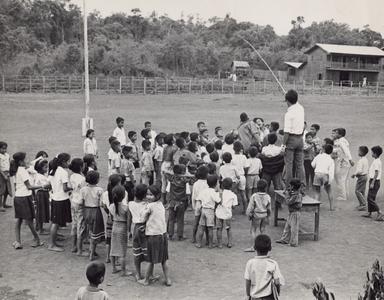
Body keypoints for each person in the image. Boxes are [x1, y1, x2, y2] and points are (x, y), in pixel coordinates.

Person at [11, 152, 46, 249]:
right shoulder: (22, 171)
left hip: (18, 198)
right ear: (21, 161)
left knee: (19, 220)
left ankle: (18, 241)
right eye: (26, 159)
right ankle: (37, 239)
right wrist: (43, 186)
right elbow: (29, 187)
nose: (28, 160)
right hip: (24, 198)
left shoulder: (20, 169)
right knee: (29, 220)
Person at [139, 185, 171, 287]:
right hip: (162, 235)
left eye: (151, 195)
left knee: (150, 260)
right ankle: (168, 279)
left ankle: (146, 280)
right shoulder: (160, 205)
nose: (148, 197)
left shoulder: (149, 206)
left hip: (153, 236)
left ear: (157, 195)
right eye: (147, 194)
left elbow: (142, 218)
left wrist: (143, 212)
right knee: (163, 260)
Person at [244, 234, 284, 300]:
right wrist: (278, 292)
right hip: (268, 297)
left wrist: (248, 295)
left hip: (255, 297)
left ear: (254, 247)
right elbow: (277, 282)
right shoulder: (273, 263)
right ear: (270, 248)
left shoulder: (250, 263)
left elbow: (248, 281)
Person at [48, 153, 73, 252]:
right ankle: (51, 244)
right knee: (56, 222)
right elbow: (65, 188)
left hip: (55, 198)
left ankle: (53, 241)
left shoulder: (53, 170)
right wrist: (73, 188)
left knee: (55, 221)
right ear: (63, 162)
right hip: (61, 199)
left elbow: (49, 184)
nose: (69, 163)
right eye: (68, 161)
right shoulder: (63, 172)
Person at [281, 90, 305, 186]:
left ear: (287, 101)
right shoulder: (301, 108)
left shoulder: (288, 114)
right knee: (299, 165)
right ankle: (301, 187)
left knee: (289, 165)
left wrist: (283, 146)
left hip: (291, 139)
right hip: (300, 139)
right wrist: (289, 95)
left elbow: (286, 132)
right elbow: (295, 101)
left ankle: (289, 187)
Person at [165, 164, 194, 241]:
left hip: (172, 202)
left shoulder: (171, 179)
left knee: (171, 219)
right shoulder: (184, 181)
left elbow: (167, 191)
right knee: (180, 219)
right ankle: (180, 236)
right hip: (181, 202)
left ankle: (170, 235)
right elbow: (188, 192)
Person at [81, 171, 104, 261]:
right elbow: (101, 203)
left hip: (86, 210)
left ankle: (91, 251)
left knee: (90, 231)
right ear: (97, 180)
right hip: (96, 211)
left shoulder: (83, 189)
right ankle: (92, 252)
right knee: (95, 233)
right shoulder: (99, 190)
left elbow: (81, 202)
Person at [109, 185, 132, 276]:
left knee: (113, 248)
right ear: (123, 196)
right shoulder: (126, 208)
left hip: (114, 226)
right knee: (122, 251)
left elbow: (111, 218)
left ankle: (114, 268)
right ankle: (123, 271)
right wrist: (129, 230)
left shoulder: (111, 206)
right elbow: (129, 220)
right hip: (123, 227)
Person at [128, 184, 148, 281]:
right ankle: (150, 274)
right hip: (145, 227)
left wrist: (128, 231)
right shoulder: (147, 205)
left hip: (135, 227)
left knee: (136, 251)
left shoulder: (130, 204)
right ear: (144, 195)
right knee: (148, 251)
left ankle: (138, 274)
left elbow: (129, 218)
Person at [244, 179, 271, 252]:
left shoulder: (254, 196)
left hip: (256, 215)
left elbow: (250, 207)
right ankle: (264, 246)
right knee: (263, 230)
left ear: (257, 187)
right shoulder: (268, 196)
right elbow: (269, 208)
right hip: (264, 215)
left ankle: (254, 246)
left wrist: (249, 214)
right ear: (266, 187)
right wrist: (268, 216)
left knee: (253, 230)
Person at [101, 174, 122, 263]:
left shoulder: (105, 193)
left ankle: (107, 257)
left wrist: (108, 212)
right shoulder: (120, 192)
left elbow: (103, 205)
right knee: (117, 239)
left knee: (108, 239)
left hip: (110, 218)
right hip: (118, 219)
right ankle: (116, 259)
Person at [195, 175, 221, 249]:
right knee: (210, 228)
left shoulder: (204, 191)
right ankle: (210, 244)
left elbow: (199, 199)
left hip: (203, 209)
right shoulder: (213, 192)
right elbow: (218, 201)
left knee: (201, 227)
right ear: (216, 184)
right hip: (210, 211)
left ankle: (199, 243)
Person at [276, 178, 302, 247]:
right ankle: (284, 239)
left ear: (293, 186)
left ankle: (294, 243)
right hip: (291, 212)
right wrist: (287, 192)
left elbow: (288, 202)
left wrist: (287, 195)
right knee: (287, 227)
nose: (289, 187)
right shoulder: (293, 193)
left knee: (294, 229)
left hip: (295, 213)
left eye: (290, 186)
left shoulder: (296, 195)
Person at [69, 158, 87, 255]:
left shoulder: (72, 176)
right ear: (81, 167)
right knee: (81, 225)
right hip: (80, 202)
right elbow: (84, 192)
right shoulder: (83, 179)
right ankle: (80, 250)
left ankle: (74, 246)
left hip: (73, 201)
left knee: (74, 223)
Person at [332, 128, 354, 201]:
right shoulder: (341, 141)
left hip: (343, 163)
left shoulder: (341, 142)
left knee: (340, 179)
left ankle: (342, 196)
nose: (334, 134)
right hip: (345, 162)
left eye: (335, 133)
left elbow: (346, 151)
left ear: (340, 134)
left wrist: (350, 160)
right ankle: (345, 194)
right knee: (345, 179)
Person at [215, 177, 238, 248]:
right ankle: (229, 243)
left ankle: (220, 244)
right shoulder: (233, 195)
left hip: (219, 214)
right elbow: (234, 206)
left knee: (219, 228)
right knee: (228, 228)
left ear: (222, 185)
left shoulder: (219, 193)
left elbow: (217, 202)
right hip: (228, 214)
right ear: (231, 186)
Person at [363, 146, 384, 221]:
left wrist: (372, 183)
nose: (371, 153)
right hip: (373, 181)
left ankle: (380, 212)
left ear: (375, 154)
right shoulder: (376, 160)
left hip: (375, 181)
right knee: (371, 197)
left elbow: (376, 173)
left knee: (370, 198)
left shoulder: (377, 162)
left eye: (372, 152)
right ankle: (369, 212)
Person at [311, 144, 335, 210]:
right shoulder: (331, 159)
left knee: (317, 192)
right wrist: (330, 180)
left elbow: (312, 165)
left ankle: (316, 208)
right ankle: (332, 207)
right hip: (325, 175)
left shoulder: (318, 156)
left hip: (317, 174)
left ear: (323, 150)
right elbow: (331, 171)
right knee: (329, 191)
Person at [191, 165, 209, 243]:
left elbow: (193, 196)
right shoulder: (208, 183)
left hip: (198, 203)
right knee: (207, 224)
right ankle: (208, 239)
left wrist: (193, 205)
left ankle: (193, 237)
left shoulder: (196, 184)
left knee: (196, 222)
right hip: (206, 204)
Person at [34, 159, 51, 235]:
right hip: (41, 194)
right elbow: (46, 186)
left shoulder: (42, 175)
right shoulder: (39, 176)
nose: (47, 169)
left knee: (42, 210)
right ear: (40, 168)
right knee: (41, 211)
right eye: (45, 167)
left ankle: (40, 227)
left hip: (44, 194)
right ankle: (40, 229)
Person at [232, 141, 248, 212]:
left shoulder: (232, 157)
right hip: (242, 175)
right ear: (241, 148)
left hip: (234, 177)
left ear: (233, 148)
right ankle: (245, 209)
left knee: (232, 193)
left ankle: (232, 209)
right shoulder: (243, 157)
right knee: (242, 193)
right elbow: (246, 167)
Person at [351, 146, 369, 211]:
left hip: (361, 177)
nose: (358, 152)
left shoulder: (361, 161)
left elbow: (360, 171)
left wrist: (354, 174)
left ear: (361, 152)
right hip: (365, 176)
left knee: (357, 191)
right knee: (362, 191)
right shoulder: (366, 159)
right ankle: (362, 204)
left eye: (359, 151)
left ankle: (364, 204)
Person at [0, 141, 12, 211]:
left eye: (5, 149)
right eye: (2, 149)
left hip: (7, 173)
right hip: (1, 174)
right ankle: (0, 205)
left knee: (7, 190)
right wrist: (3, 175)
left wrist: (8, 172)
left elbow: (8, 164)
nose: (4, 150)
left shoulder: (7, 155)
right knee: (1, 190)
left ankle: (4, 203)